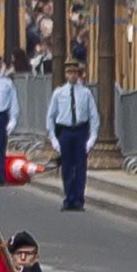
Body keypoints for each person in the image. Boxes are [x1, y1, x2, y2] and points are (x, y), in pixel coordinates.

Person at [45, 73, 98, 209]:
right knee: (67, 167)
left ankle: (79, 200)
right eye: (69, 73)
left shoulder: (86, 93)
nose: (72, 76)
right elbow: (51, 116)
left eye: (75, 73)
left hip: (80, 130)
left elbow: (93, 116)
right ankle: (69, 198)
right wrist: (53, 138)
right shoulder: (59, 93)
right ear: (66, 74)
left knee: (80, 167)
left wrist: (92, 137)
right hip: (65, 131)